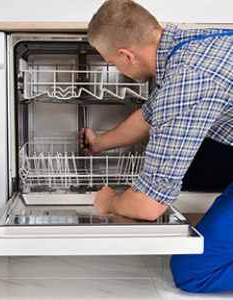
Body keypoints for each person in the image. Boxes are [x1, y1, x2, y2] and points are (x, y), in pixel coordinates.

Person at [80, 0, 233, 293]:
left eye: (113, 62)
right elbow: (150, 115)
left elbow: (148, 207)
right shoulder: (185, 46)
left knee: (193, 272)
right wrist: (100, 143)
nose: (118, 69)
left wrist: (109, 201)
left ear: (127, 55)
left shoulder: (188, 80)